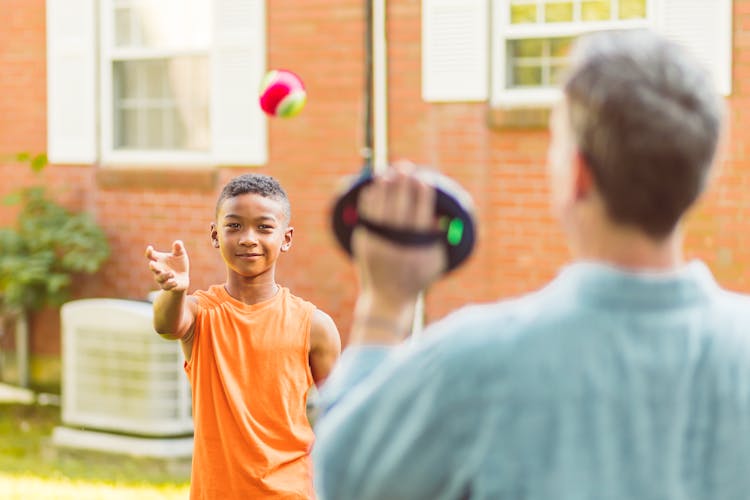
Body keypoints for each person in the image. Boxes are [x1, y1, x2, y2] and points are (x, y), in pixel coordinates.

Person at [312, 29, 750, 499]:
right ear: (700, 177)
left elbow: (346, 476)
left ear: (577, 175)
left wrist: (384, 307)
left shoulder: (476, 362)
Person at [145, 173, 341, 499]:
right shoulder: (200, 313)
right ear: (215, 234)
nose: (248, 238)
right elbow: (166, 324)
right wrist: (174, 290)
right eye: (234, 226)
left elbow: (341, 413)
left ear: (286, 238)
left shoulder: (315, 325)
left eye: (264, 227)